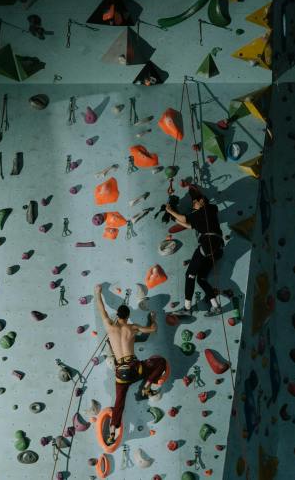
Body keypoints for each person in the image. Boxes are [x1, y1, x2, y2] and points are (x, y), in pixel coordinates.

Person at [94, 284, 166, 446]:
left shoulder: (109, 325)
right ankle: (147, 386)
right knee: (160, 361)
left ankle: (112, 433)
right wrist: (153, 318)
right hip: (136, 368)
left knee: (119, 403)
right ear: (128, 316)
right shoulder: (132, 328)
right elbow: (152, 329)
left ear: (117, 315)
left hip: (121, 374)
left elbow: (102, 310)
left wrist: (97, 293)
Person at [164, 185, 224, 316]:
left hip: (207, 244)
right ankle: (216, 306)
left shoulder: (206, 210)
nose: (193, 205)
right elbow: (188, 225)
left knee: (189, 275)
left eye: (194, 203)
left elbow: (185, 219)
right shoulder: (208, 213)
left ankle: (187, 309)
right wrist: (172, 216)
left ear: (202, 201)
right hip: (216, 248)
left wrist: (170, 211)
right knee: (201, 278)